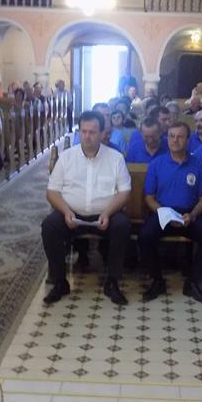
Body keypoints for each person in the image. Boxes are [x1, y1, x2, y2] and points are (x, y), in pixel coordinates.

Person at [42, 111, 131, 306]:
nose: (87, 136)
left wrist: (107, 213)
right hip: (71, 214)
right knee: (49, 226)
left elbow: (124, 192)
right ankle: (60, 281)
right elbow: (52, 191)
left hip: (105, 215)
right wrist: (66, 211)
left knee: (122, 225)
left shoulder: (115, 158)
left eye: (92, 132)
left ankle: (113, 282)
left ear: (102, 133)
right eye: (83, 131)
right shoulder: (67, 157)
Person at [138, 122, 202, 304]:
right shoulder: (157, 164)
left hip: (189, 214)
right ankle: (157, 280)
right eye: (172, 136)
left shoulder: (198, 165)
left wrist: (193, 215)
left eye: (180, 136)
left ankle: (193, 282)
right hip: (163, 213)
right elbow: (149, 197)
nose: (175, 140)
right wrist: (165, 214)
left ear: (188, 140)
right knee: (145, 235)